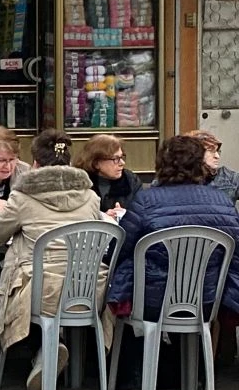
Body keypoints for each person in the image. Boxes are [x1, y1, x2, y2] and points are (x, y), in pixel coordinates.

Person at [0, 130, 103, 390]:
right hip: (85, 291)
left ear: (35, 164)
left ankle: (40, 350)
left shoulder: (23, 198)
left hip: (39, 291)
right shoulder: (91, 198)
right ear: (69, 162)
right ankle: (59, 354)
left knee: (10, 282)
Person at [107, 135, 239, 322]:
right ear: (201, 164)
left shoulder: (146, 201)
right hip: (207, 302)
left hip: (153, 303)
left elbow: (117, 251)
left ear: (161, 163)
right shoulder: (223, 203)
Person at [76, 133, 142, 215]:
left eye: (122, 157)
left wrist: (125, 215)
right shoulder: (78, 183)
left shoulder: (131, 181)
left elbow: (141, 214)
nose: (122, 163)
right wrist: (103, 217)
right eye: (115, 159)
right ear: (96, 163)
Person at [182, 129, 239, 204]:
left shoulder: (227, 178)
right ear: (195, 153)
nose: (217, 156)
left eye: (217, 151)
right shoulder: (178, 178)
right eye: (211, 151)